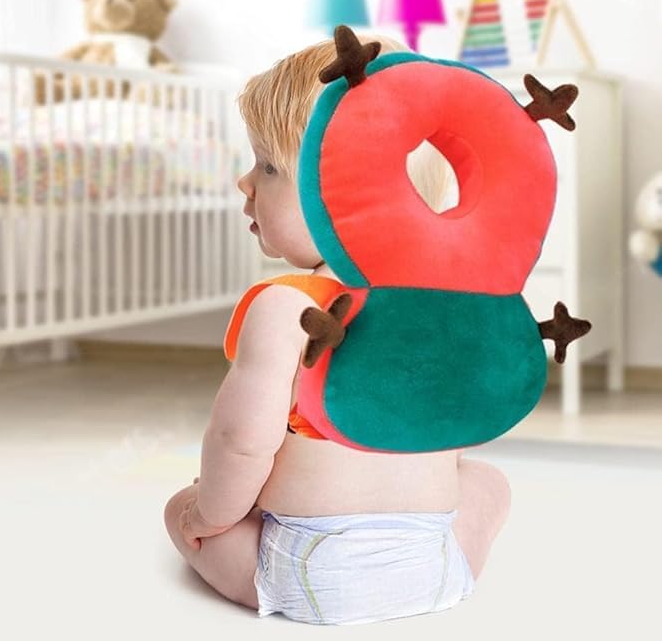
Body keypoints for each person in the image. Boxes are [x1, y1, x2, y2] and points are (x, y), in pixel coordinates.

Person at [164, 33, 511, 625]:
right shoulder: (445, 306)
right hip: (434, 565)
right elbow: (457, 430)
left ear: (337, 195)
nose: (246, 183)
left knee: (183, 509)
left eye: (267, 166)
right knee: (488, 482)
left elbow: (241, 441)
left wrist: (208, 512)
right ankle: (424, 581)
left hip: (310, 570)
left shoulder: (287, 307)